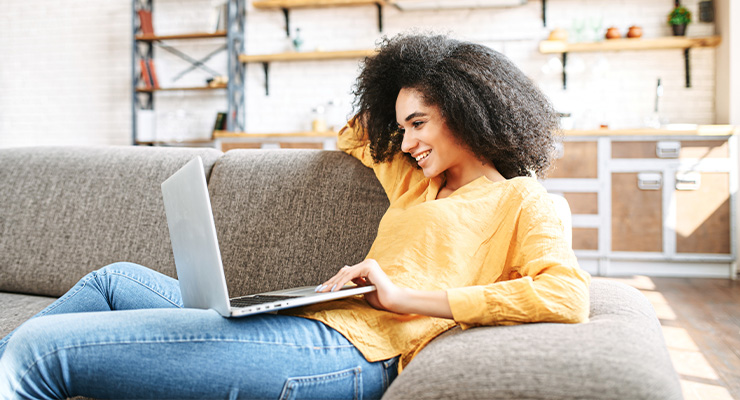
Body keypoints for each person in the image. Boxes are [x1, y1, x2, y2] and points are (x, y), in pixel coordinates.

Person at [0, 32, 591, 399]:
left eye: (419, 123)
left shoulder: (522, 200)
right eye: (404, 126)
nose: (407, 141)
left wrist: (403, 297)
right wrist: (404, 91)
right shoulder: (416, 183)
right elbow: (355, 133)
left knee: (39, 351)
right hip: (316, 321)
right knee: (111, 280)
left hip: (353, 355)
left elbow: (566, 297)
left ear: (469, 112)